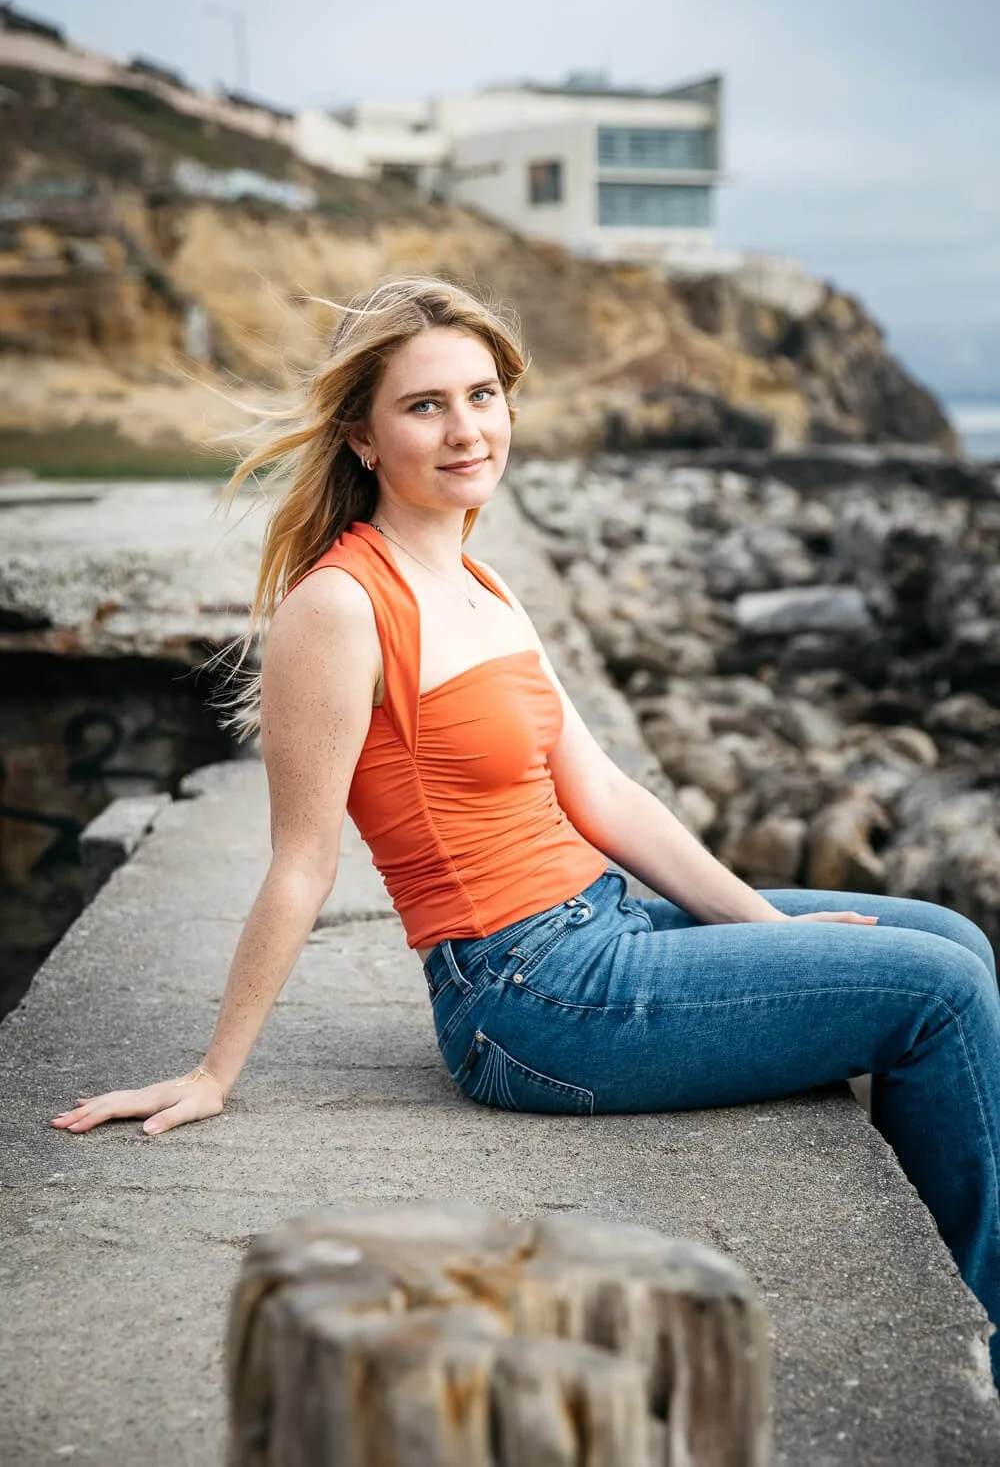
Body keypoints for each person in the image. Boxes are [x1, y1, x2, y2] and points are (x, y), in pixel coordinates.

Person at [52, 276, 1000, 1387]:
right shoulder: (340, 607)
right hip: (527, 999)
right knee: (941, 996)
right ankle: (976, 1341)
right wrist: (215, 1073)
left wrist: (762, 929)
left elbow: (606, 799)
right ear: (360, 434)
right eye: (425, 406)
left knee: (954, 940)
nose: (467, 429)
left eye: (483, 394)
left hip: (604, 928)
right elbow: (301, 859)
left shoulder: (481, 577)